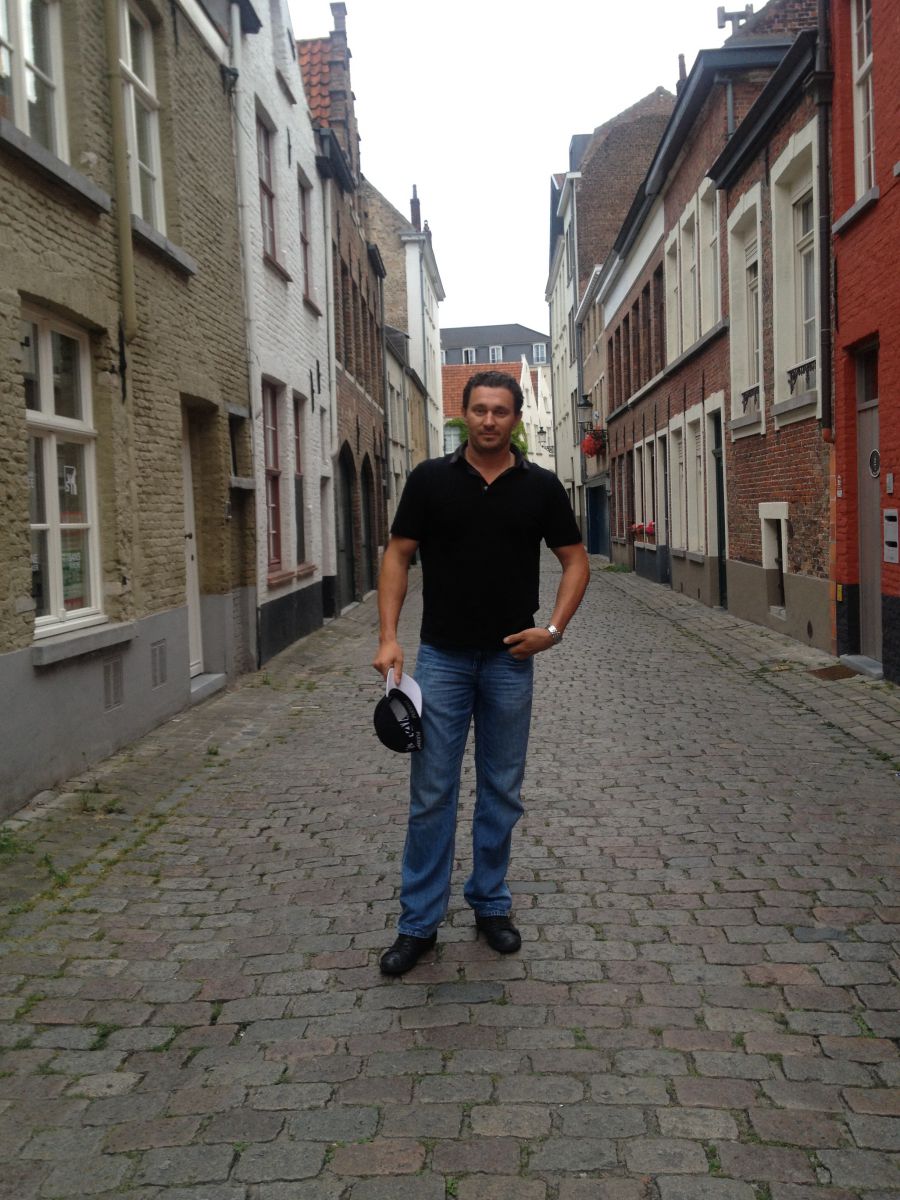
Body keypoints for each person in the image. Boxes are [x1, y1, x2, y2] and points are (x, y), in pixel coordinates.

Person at [372, 369, 590, 976]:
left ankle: (491, 903)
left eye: (500, 411)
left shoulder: (540, 487)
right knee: (432, 793)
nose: (489, 420)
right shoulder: (429, 480)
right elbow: (398, 555)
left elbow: (575, 561)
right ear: (463, 415)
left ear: (515, 419)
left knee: (501, 790)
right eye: (479, 410)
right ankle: (418, 923)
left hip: (509, 661)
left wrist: (552, 630)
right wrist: (388, 637)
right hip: (441, 659)